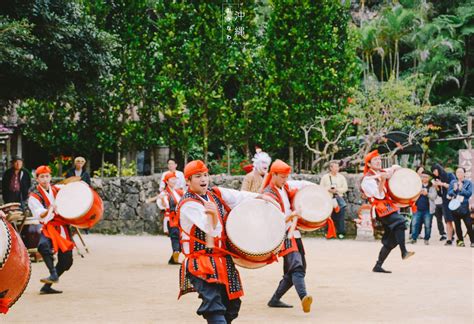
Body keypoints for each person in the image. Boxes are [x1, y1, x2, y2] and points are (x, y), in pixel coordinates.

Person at [177, 160, 272, 323]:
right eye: (198, 176)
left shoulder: (215, 194)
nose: (203, 179)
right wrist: (213, 216)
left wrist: (260, 196)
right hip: (201, 262)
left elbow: (238, 196)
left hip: (222, 260)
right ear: (188, 181)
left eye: (205, 175)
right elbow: (211, 230)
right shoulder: (188, 204)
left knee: (232, 305)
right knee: (213, 305)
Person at [263, 160, 315, 313]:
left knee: (296, 269)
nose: (286, 180)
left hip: (293, 232)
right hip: (284, 235)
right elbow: (272, 220)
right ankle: (304, 297)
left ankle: (275, 299)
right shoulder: (268, 194)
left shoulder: (284, 187)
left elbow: (300, 188)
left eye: (286, 177)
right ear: (274, 175)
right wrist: (292, 215)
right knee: (297, 267)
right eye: (283, 177)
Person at [360, 150, 415, 274]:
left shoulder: (381, 173)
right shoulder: (367, 179)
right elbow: (379, 196)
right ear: (368, 164)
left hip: (387, 206)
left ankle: (378, 265)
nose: (378, 161)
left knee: (392, 239)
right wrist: (383, 180)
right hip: (380, 208)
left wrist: (392, 171)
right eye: (375, 160)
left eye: (379, 159)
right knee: (401, 222)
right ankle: (404, 251)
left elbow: (397, 167)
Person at [28, 166, 74, 295]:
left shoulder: (58, 190)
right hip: (48, 226)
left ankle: (47, 286)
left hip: (62, 226)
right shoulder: (34, 196)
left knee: (66, 262)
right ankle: (53, 274)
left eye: (47, 176)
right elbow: (39, 213)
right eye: (42, 177)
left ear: (50, 177)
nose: (45, 179)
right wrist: (49, 209)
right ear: (37, 179)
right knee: (43, 246)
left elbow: (71, 194)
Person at [148, 172, 183, 264]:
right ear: (167, 181)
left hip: (178, 218)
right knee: (175, 236)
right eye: (172, 180)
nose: (174, 181)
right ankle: (175, 254)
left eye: (175, 179)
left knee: (181, 237)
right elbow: (163, 206)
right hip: (170, 218)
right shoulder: (164, 193)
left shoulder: (177, 192)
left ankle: (174, 258)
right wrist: (163, 200)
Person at [320, 160, 348, 239]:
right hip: (328, 198)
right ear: (330, 168)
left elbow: (345, 188)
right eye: (335, 167)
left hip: (338, 198)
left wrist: (337, 190)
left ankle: (341, 232)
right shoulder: (325, 177)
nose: (337, 168)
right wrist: (328, 189)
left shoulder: (341, 177)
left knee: (340, 216)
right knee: (329, 216)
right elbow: (321, 187)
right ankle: (329, 232)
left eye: (338, 167)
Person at [431, 163, 456, 245]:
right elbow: (441, 194)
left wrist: (441, 184)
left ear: (439, 169)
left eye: (435, 170)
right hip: (445, 202)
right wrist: (437, 187)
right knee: (448, 221)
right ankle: (449, 239)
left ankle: (459, 239)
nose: (434, 173)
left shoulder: (449, 175)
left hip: (453, 201)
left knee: (456, 220)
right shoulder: (438, 179)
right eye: (433, 172)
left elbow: (454, 187)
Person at [447, 167, 473, 247]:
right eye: (457, 172)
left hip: (464, 207)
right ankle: (460, 241)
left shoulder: (469, 183)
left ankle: (472, 241)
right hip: (455, 207)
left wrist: (462, 189)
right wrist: (454, 190)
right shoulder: (453, 182)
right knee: (457, 225)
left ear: (464, 173)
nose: (459, 174)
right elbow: (449, 193)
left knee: (468, 225)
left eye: (461, 172)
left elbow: (469, 194)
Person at [410, 171, 436, 245]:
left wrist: (427, 193)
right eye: (422, 176)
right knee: (415, 224)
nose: (424, 178)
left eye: (426, 177)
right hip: (417, 208)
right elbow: (411, 195)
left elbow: (434, 196)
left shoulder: (432, 186)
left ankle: (426, 239)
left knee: (428, 225)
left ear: (429, 178)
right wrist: (418, 193)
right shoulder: (417, 185)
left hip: (428, 209)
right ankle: (414, 238)